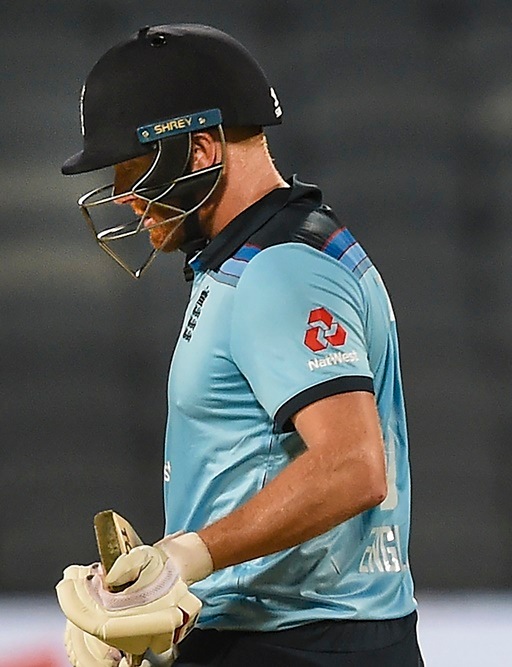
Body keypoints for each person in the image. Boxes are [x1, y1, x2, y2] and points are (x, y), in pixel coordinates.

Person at [53, 24, 423, 667]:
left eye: (134, 168)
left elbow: (352, 466)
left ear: (199, 148)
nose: (125, 198)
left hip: (297, 643)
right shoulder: (261, 255)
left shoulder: (281, 269)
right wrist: (153, 594)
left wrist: (184, 558)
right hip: (297, 636)